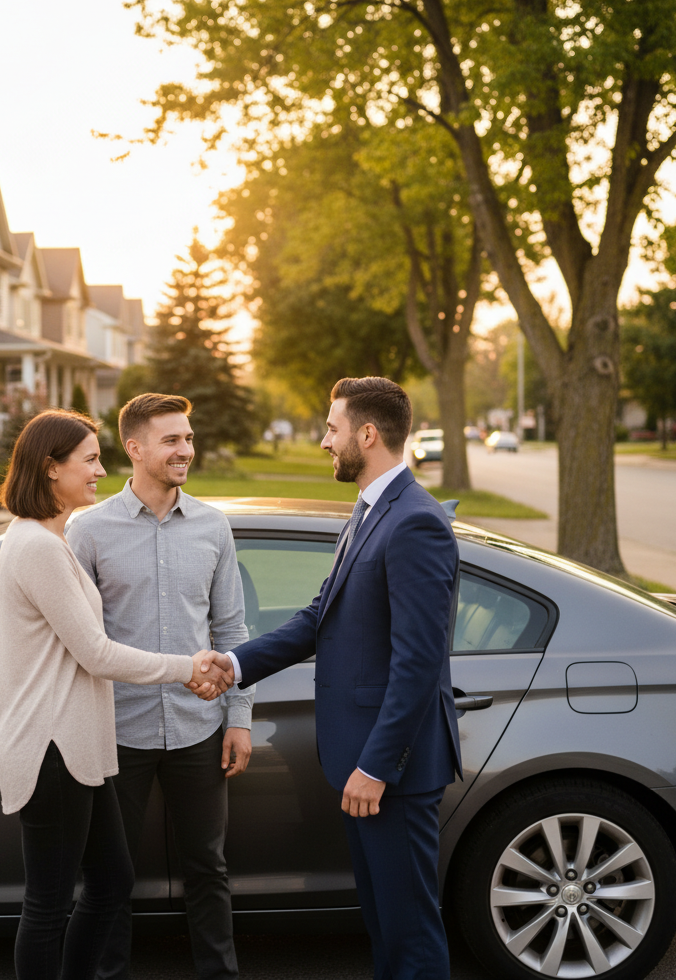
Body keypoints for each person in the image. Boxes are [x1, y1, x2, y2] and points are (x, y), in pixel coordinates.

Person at [208, 377, 462, 980]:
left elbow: (418, 663)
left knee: (410, 934)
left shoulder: (415, 523)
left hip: (389, 771)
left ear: (367, 434)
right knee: (382, 923)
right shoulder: (372, 509)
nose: (325, 441)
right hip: (362, 763)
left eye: (332, 428)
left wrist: (377, 767)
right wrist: (236, 664)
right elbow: (321, 616)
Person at [0, 409, 231, 980]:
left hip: (78, 750)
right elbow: (96, 652)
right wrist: (186, 665)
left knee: (111, 880)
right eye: (89, 460)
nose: (101, 470)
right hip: (51, 747)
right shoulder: (39, 547)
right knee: (47, 904)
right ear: (52, 469)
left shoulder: (48, 540)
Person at [66, 393, 254, 980]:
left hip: (200, 730)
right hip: (117, 730)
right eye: (172, 440)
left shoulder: (212, 526)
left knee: (208, 867)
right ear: (135, 448)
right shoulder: (88, 530)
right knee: (110, 876)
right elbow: (80, 640)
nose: (186, 451)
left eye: (189, 439)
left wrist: (239, 717)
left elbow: (231, 629)